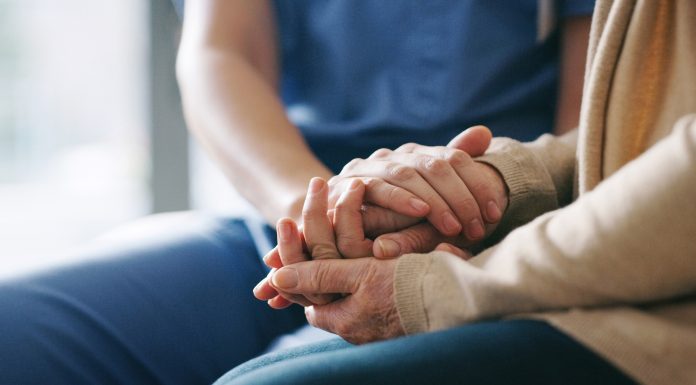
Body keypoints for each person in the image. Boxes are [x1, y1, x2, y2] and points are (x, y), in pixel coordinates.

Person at [0, 1, 593, 384]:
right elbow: (219, 53)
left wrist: (466, 212)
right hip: (282, 215)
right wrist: (314, 214)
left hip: (478, 238)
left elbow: (594, 126)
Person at [214, 1, 696, 384]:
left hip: (651, 313)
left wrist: (437, 286)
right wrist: (500, 181)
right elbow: (631, 136)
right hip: (338, 214)